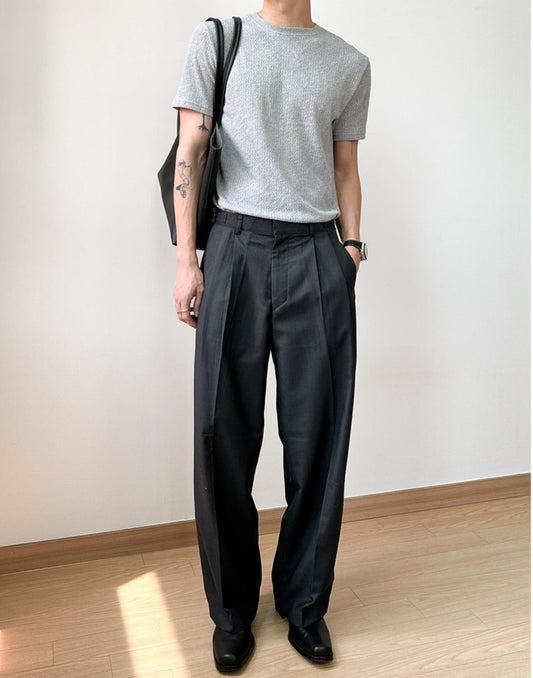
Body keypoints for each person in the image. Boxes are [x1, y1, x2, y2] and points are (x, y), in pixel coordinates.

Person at [171, 0, 370, 671]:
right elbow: (191, 150)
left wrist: (350, 248)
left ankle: (304, 604)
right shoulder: (218, 40)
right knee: (221, 436)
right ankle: (231, 612)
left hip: (317, 253)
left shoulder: (348, 63)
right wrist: (186, 261)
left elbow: (344, 168)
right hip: (233, 247)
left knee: (319, 439)